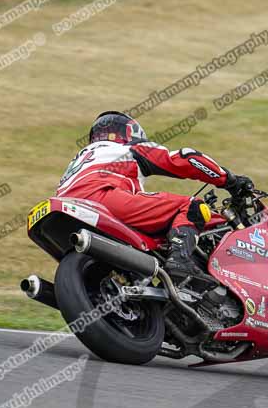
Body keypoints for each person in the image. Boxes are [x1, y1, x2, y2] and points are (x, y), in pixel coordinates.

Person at [57, 111, 253, 283]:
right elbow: (187, 158)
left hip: (63, 210)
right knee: (192, 207)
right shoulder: (125, 149)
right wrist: (230, 181)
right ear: (128, 133)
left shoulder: (81, 159)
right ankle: (180, 261)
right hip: (103, 198)